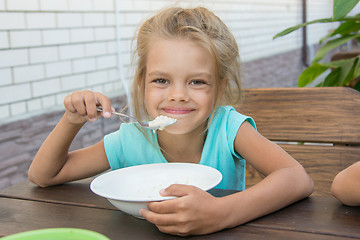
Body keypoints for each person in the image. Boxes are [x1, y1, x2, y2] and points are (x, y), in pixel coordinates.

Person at [28, 6, 314, 236]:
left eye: (197, 81)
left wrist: (222, 213)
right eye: (161, 80)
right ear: (142, 83)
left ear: (220, 87)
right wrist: (72, 120)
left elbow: (297, 179)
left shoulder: (228, 129)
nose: (178, 95)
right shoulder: (131, 139)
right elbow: (45, 176)